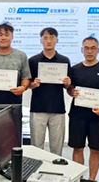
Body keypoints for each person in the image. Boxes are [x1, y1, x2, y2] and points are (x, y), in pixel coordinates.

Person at [67, 36, 99, 181]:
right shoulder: (75, 69)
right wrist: (71, 91)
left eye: (93, 48)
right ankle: (79, 180)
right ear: (82, 50)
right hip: (77, 115)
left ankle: (92, 180)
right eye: (86, 48)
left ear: (98, 50)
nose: (89, 51)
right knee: (77, 148)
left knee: (95, 149)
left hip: (97, 116)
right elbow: (70, 89)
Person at [28, 27, 71, 155]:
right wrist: (33, 84)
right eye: (45, 38)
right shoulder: (33, 61)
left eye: (52, 38)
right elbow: (27, 84)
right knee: (36, 147)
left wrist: (68, 84)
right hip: (38, 108)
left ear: (57, 40)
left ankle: (56, 168)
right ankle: (36, 167)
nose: (48, 41)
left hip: (58, 109)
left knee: (57, 148)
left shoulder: (64, 60)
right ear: (41, 40)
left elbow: (68, 86)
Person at [0, 22, 31, 105]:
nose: (3, 38)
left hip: (14, 101)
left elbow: (26, 77)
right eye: (0, 35)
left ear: (12, 37)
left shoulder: (21, 55)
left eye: (7, 35)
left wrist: (23, 87)